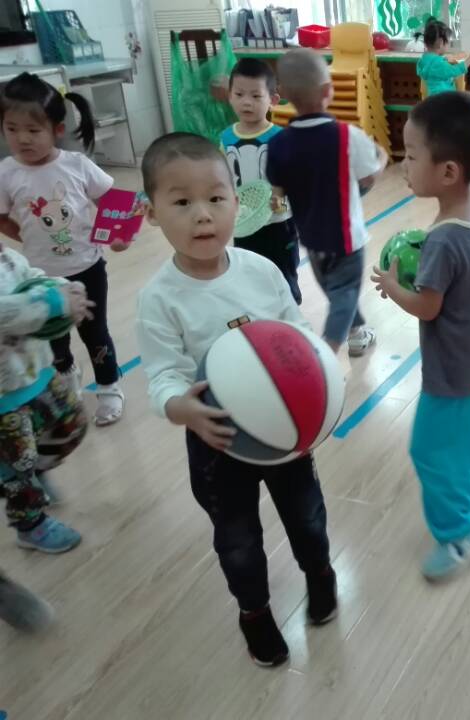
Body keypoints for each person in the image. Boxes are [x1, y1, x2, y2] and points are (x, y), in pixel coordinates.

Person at [136, 132, 337, 667]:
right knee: (238, 540)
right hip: (217, 440)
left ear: (236, 201)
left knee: (307, 516)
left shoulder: (261, 270)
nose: (202, 214)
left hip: (284, 430)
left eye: (216, 198)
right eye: (182, 202)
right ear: (152, 213)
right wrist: (180, 407)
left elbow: (297, 334)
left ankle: (320, 572)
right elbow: (162, 375)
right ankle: (254, 611)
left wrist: (320, 384)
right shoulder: (159, 299)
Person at [371, 92, 470, 581]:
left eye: (410, 155)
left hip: (449, 373)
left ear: (448, 171)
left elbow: (427, 307)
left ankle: (459, 534)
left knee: (431, 452)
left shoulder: (443, 240)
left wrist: (392, 287)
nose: (403, 164)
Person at [0, 72, 127, 426]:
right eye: (12, 129)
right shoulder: (6, 172)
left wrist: (116, 236)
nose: (22, 138)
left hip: (87, 267)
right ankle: (67, 376)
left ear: (57, 129)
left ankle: (109, 387)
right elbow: (2, 218)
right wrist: (27, 240)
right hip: (39, 276)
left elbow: (114, 200)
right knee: (52, 337)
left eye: (33, 130)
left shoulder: (76, 165)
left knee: (94, 332)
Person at [268, 49, 387, 356]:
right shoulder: (348, 135)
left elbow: (277, 191)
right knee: (345, 292)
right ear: (327, 91)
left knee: (337, 291)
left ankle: (357, 333)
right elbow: (368, 178)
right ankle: (325, 353)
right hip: (346, 240)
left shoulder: (278, 143)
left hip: (311, 240)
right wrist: (383, 159)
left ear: (284, 94)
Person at [0, 240, 90, 552]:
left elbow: (32, 277)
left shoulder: (7, 256)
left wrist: (67, 289)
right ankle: (30, 525)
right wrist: (55, 303)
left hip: (38, 372)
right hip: (3, 399)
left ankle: (30, 473)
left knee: (72, 424)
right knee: (17, 466)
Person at [221, 57, 302, 304]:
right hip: (244, 225)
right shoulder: (225, 138)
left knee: (284, 278)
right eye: (239, 94)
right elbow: (222, 179)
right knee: (248, 277)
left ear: (273, 100)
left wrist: (282, 200)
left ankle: (289, 317)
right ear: (230, 96)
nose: (247, 102)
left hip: (279, 224)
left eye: (256, 96)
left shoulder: (281, 138)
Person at [415, 18, 470, 98]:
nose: (448, 45)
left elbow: (437, 69)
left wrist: (443, 59)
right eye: (448, 42)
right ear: (441, 43)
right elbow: (454, 71)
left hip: (433, 98)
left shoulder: (424, 60)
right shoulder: (437, 64)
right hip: (443, 99)